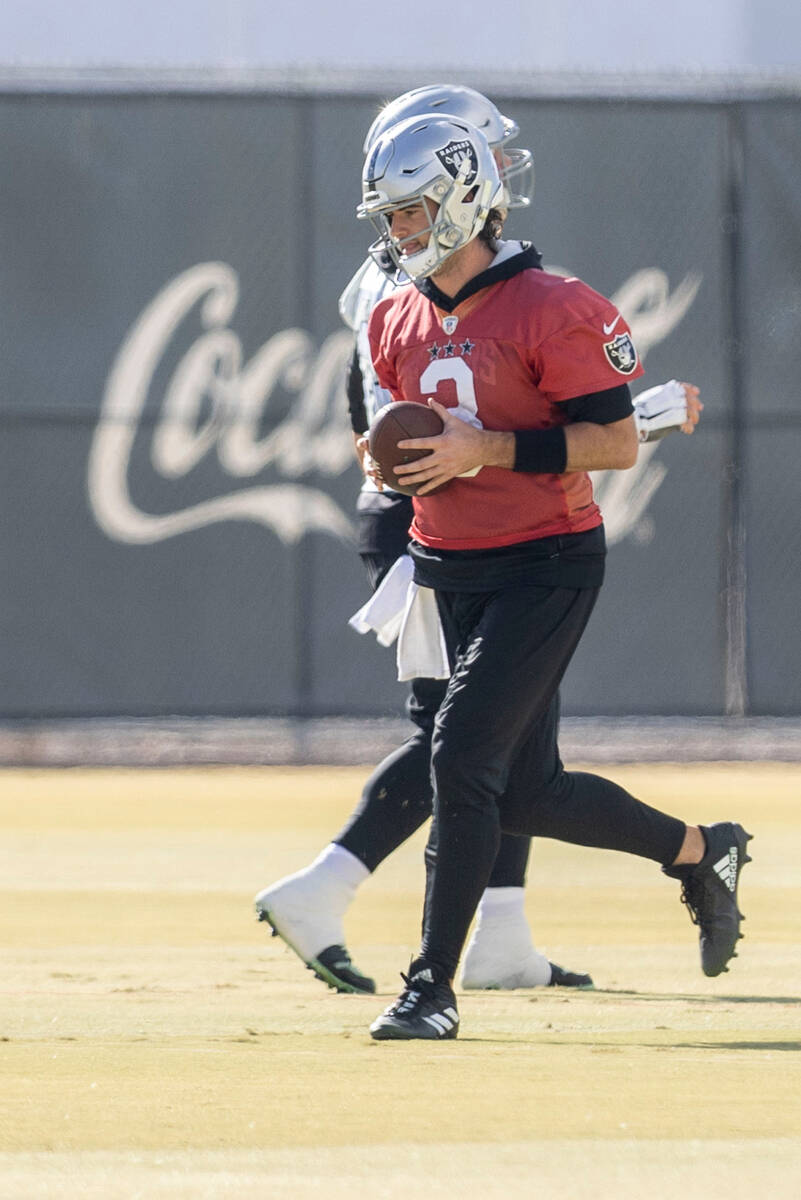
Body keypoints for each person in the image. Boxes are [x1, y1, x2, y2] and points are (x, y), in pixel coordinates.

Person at [254, 85, 702, 997]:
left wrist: (617, 425)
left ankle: (499, 932)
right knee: (464, 740)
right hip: (428, 523)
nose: (503, 180)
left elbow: (553, 426)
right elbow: (388, 433)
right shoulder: (401, 292)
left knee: (495, 745)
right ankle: (336, 889)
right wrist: (628, 426)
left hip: (511, 529)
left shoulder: (530, 296)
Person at [352, 111, 750, 1041]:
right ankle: (701, 854)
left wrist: (482, 449)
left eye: (411, 213)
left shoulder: (555, 304)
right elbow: (393, 433)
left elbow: (612, 441)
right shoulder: (393, 313)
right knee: (523, 789)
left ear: (460, 200)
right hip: (449, 564)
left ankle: (428, 988)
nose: (397, 233)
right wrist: (382, 462)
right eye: (392, 215)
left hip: (545, 559)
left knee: (460, 758)